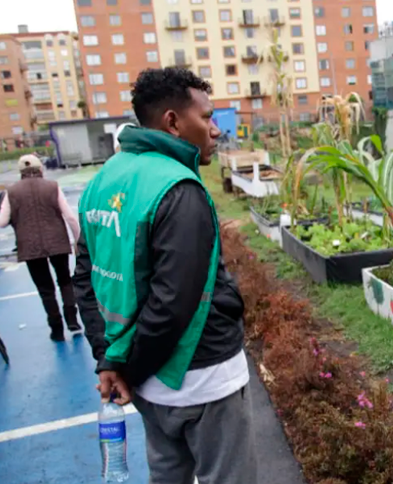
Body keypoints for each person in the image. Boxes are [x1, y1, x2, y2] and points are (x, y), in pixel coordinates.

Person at [73, 67, 255, 484]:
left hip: (148, 386)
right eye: (206, 118)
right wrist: (126, 370)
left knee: (168, 475)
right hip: (204, 379)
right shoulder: (179, 189)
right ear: (172, 122)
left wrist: (111, 360)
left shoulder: (105, 179)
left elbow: (85, 278)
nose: (214, 130)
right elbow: (172, 304)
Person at [0, 154, 82, 341]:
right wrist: (78, 240)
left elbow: (2, 221)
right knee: (65, 281)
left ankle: (56, 328)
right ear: (40, 169)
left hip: (29, 247)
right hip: (57, 242)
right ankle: (72, 320)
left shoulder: (11, 192)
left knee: (45, 288)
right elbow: (69, 216)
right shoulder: (52, 186)